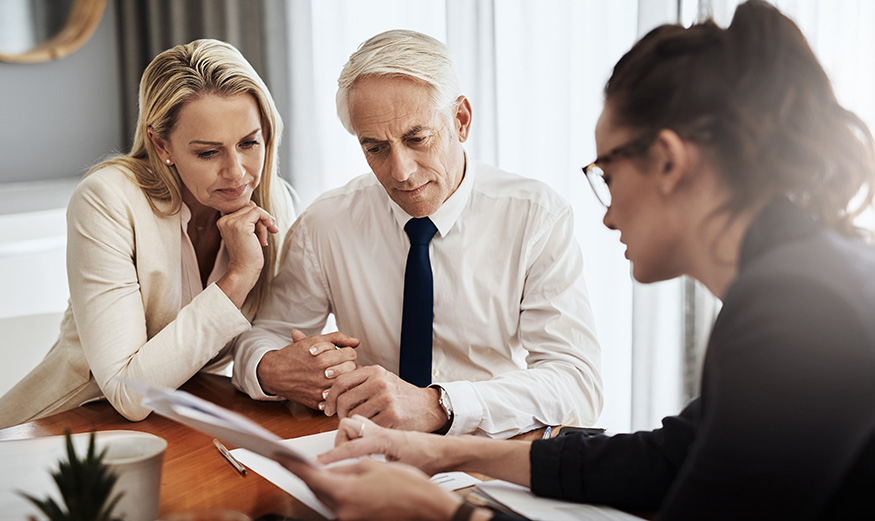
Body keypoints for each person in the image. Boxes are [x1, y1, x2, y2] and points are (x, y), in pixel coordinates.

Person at [276, 2, 875, 520]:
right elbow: (670, 457)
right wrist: (443, 452)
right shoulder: (802, 278)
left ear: (668, 162)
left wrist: (441, 511)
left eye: (607, 176)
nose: (608, 215)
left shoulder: (798, 314)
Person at [232, 29, 603, 438]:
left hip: (489, 451)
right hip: (368, 450)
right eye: (375, 148)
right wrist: (271, 368)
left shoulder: (535, 218)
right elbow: (263, 338)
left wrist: (440, 405)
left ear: (460, 121)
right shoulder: (326, 223)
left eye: (417, 139)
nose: (401, 171)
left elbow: (577, 381)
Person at [0, 39, 296, 428]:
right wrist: (238, 277)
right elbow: (129, 394)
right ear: (161, 144)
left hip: (180, 422)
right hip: (61, 426)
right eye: (208, 152)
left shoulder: (275, 202)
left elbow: (263, 341)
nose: (237, 171)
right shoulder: (107, 200)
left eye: (249, 143)